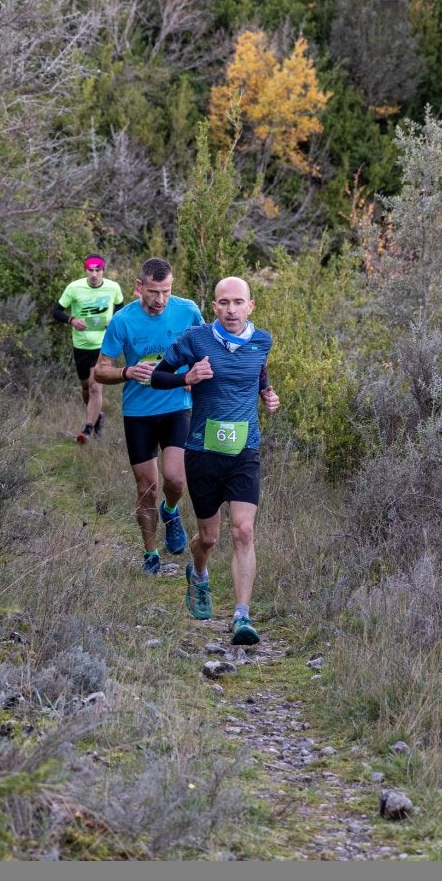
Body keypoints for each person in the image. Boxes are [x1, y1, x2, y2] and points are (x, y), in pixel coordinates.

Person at [148, 276, 279, 645]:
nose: (232, 309)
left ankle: (241, 616)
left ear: (251, 306)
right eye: (224, 303)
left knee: (244, 531)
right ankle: (200, 574)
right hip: (203, 452)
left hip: (244, 452)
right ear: (214, 307)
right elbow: (158, 376)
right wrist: (187, 376)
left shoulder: (262, 340)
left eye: (239, 302)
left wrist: (269, 395)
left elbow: (260, 375)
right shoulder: (196, 339)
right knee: (209, 537)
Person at [92, 257, 205, 576]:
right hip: (139, 412)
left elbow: (206, 348)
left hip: (177, 406)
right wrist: (127, 371)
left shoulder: (188, 311)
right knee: (146, 487)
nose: (160, 300)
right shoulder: (123, 321)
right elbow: (100, 371)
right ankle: (151, 552)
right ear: (139, 287)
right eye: (154, 292)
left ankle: (171, 511)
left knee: (175, 478)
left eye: (166, 291)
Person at [52, 255, 125, 443]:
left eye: (98, 270)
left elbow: (121, 308)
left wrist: (113, 322)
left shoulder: (113, 287)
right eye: (90, 270)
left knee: (95, 388)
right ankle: (97, 416)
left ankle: (87, 430)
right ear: (85, 270)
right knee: (86, 388)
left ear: (103, 270)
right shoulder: (74, 288)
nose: (94, 274)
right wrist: (72, 320)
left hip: (103, 346)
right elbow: (56, 311)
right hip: (81, 345)